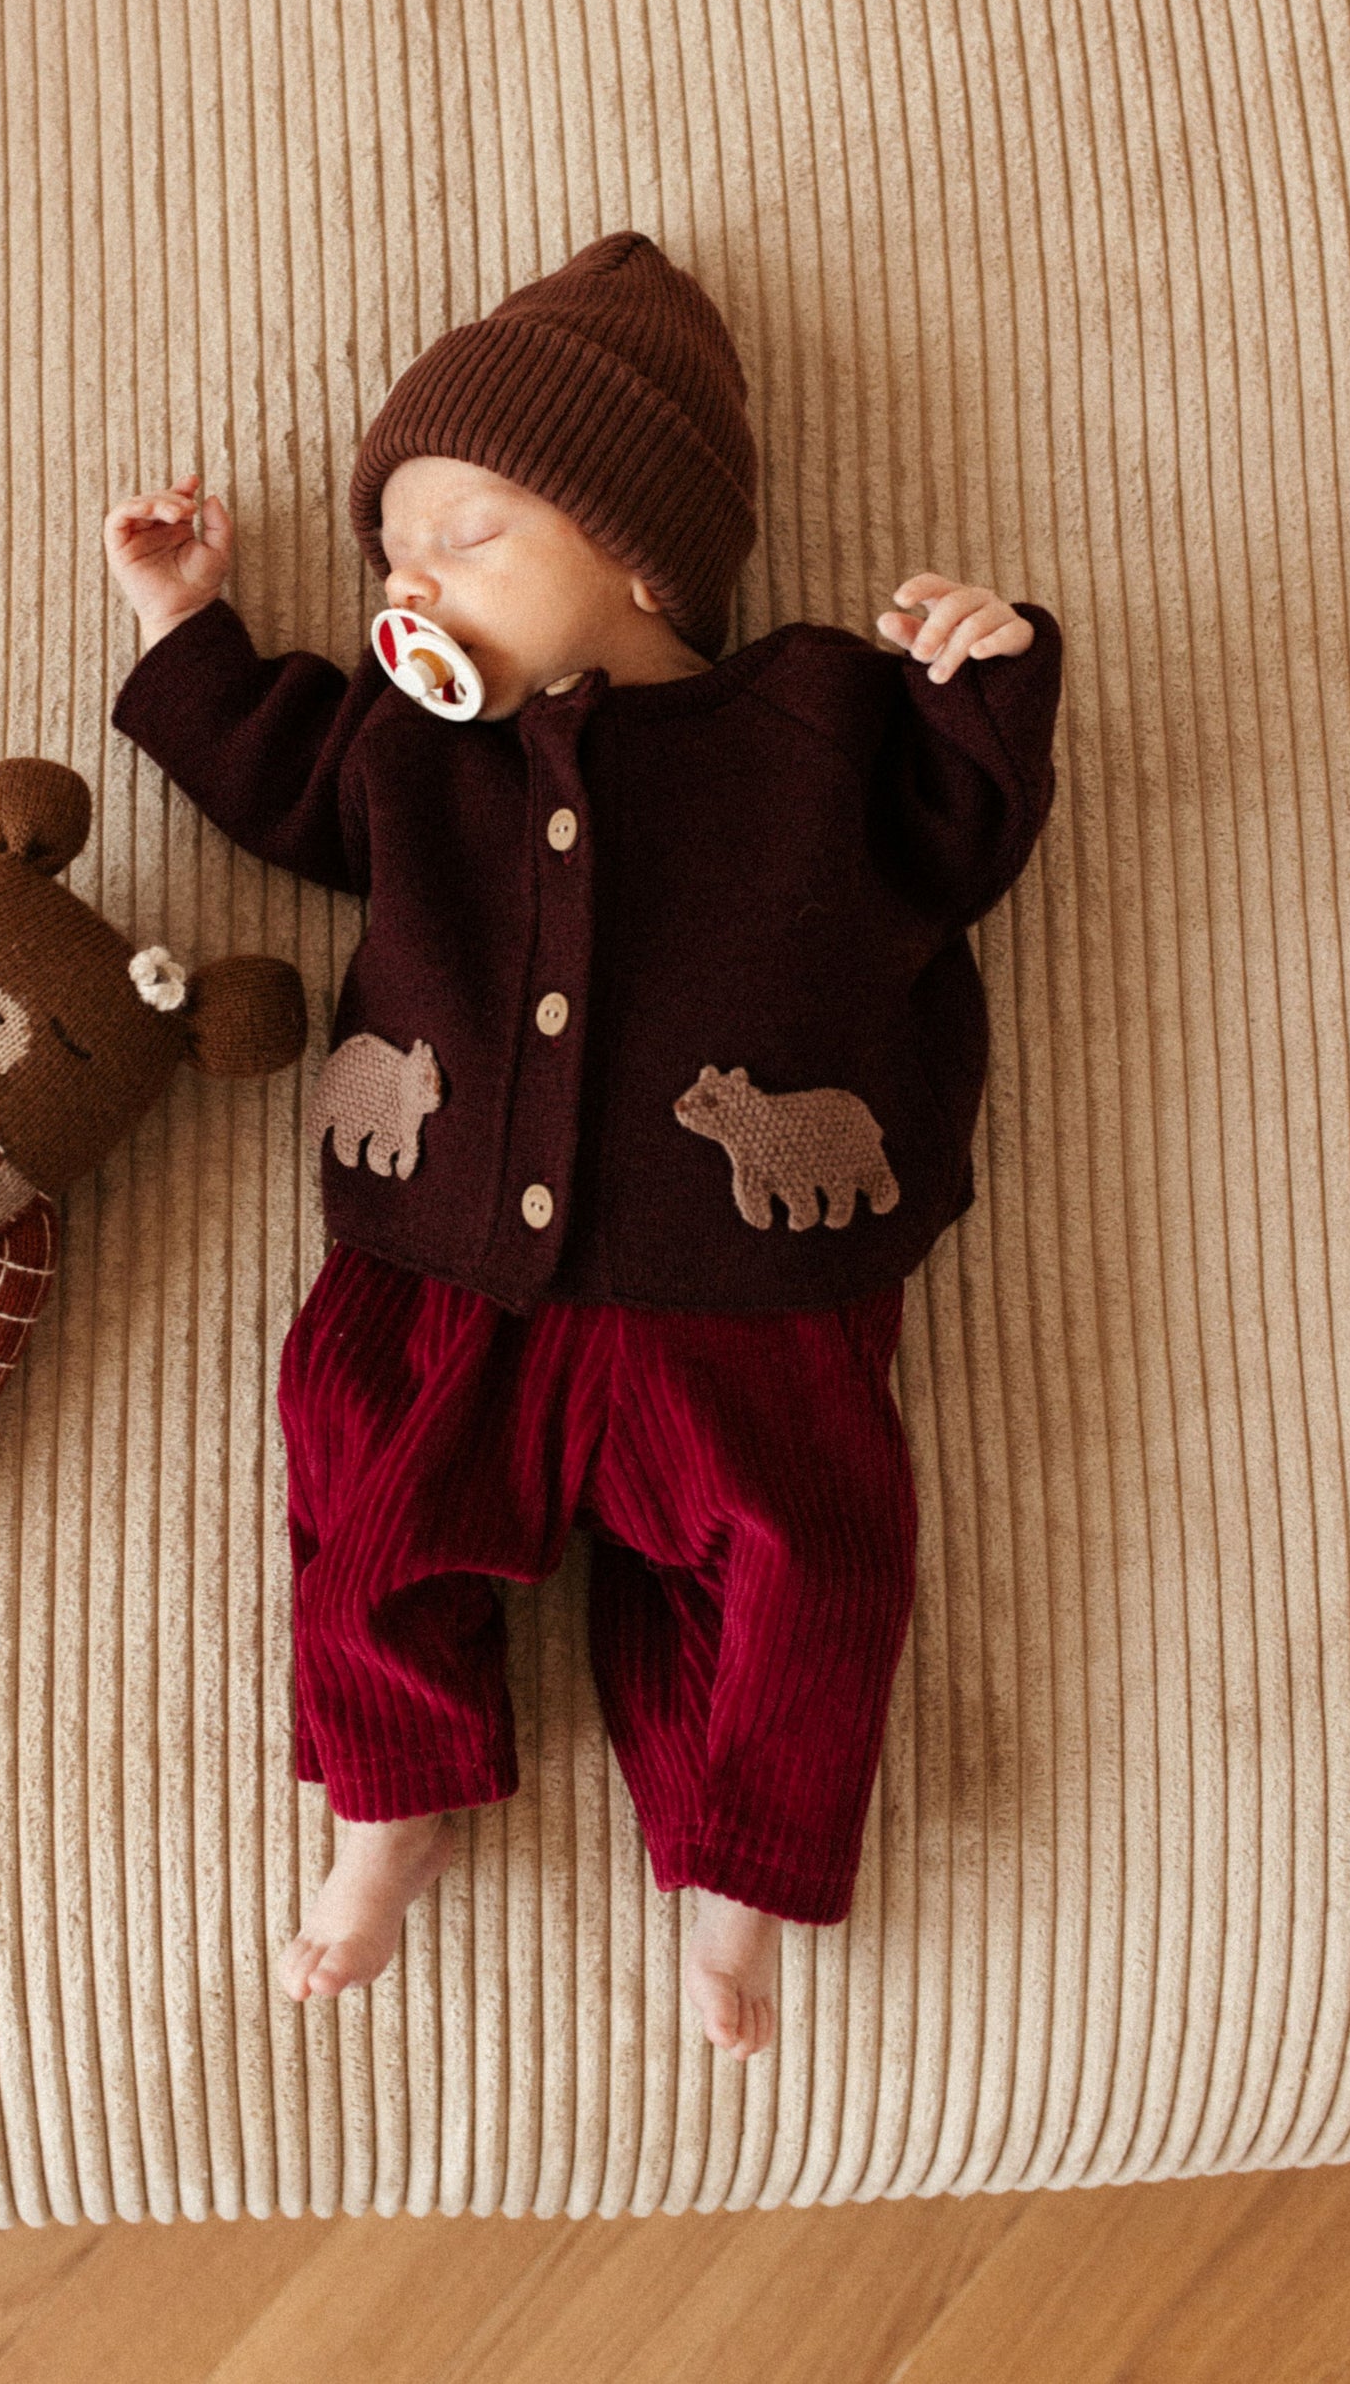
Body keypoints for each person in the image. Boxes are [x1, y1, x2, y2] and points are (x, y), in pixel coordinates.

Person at [103, 232, 1062, 2060]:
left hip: (747, 1293)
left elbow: (962, 830)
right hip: (450, 1262)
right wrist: (180, 629)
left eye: (461, 535)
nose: (409, 585)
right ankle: (389, 1805)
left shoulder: (816, 719)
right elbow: (271, 768)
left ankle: (738, 1868)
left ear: (636, 554)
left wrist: (985, 675)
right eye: (390, 559)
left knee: (805, 1555)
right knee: (366, 1490)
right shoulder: (409, 754)